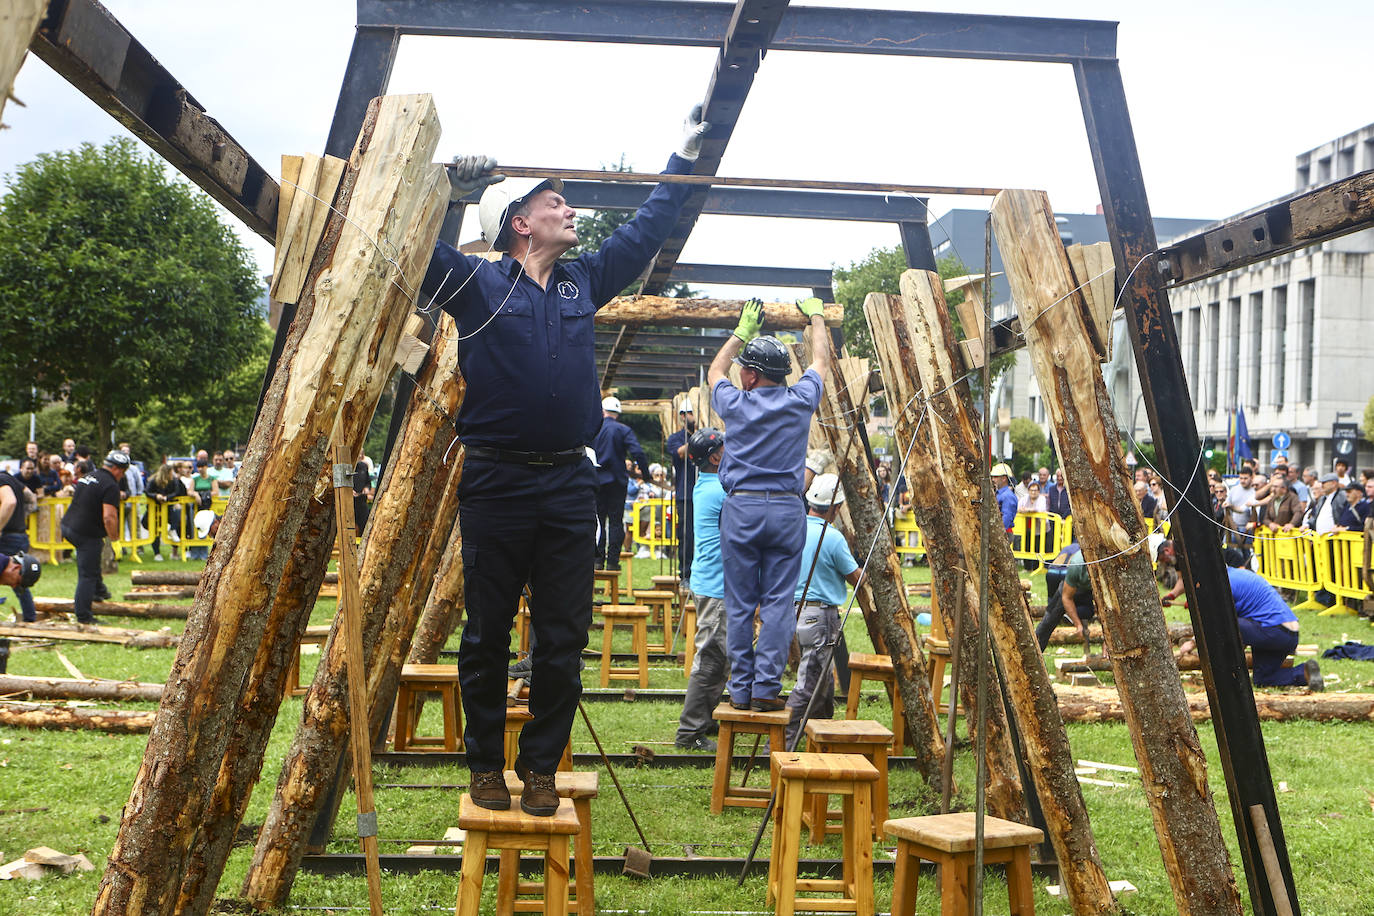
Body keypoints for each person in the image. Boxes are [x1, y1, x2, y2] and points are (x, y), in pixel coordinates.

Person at [415, 106, 710, 816]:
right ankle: (486, 765)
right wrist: (453, 191)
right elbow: (413, 241)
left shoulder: (584, 282)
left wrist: (683, 158)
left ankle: (539, 767)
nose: (569, 209)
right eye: (555, 202)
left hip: (569, 482)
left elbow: (646, 231)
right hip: (496, 479)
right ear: (519, 222)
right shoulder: (477, 283)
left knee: (563, 637)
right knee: (486, 634)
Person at [709, 296, 828, 712]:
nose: (739, 372)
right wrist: (815, 316)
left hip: (741, 510)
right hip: (786, 510)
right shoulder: (800, 402)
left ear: (752, 375)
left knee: (741, 603)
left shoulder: (735, 403)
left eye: (745, 367)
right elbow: (821, 362)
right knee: (779, 603)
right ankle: (765, 690)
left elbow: (715, 370)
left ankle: (741, 692)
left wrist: (740, 332)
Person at [1174, 549, 1321, 690]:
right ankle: (1305, 672)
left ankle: (1227, 675)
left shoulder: (1223, 585)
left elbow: (1217, 624)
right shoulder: (1232, 575)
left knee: (1224, 625)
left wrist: (1192, 643)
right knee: (1264, 679)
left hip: (1275, 631)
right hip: (1284, 633)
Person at [786, 473, 860, 748]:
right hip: (820, 616)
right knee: (810, 685)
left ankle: (822, 737)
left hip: (794, 611)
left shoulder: (794, 529)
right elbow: (854, 577)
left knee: (823, 681)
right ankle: (782, 741)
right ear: (836, 508)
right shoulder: (832, 537)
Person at [675, 427, 728, 752]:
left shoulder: (708, 485)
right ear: (716, 456)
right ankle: (689, 731)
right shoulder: (720, 489)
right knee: (711, 656)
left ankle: (704, 719)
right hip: (716, 584)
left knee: (721, 656)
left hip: (713, 581)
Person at [62, 451, 126, 625]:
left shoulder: (89, 476)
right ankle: (84, 616)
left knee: (93, 553)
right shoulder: (111, 485)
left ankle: (99, 590)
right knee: (87, 574)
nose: (122, 475)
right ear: (117, 469)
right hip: (85, 532)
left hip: (68, 526)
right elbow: (109, 517)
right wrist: (115, 541)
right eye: (123, 471)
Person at [592, 396, 649, 569]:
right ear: (618, 413)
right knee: (616, 521)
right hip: (617, 481)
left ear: (602, 411)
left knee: (598, 520)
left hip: (596, 479)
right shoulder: (623, 430)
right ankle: (612, 562)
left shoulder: (594, 429)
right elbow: (637, 452)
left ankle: (597, 560)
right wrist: (645, 474)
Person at [1036, 546, 1095, 651]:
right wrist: (1078, 625)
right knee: (1049, 621)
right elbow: (1066, 597)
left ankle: (1068, 616)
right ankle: (1035, 652)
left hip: (1088, 589)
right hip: (1069, 584)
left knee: (1088, 612)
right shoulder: (1077, 564)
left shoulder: (1108, 563)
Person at [0, 467, 40, 621]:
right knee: (21, 579)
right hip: (20, 534)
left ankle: (30, 619)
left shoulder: (1, 480)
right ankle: (30, 618)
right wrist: (25, 515)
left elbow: (10, 502)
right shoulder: (13, 480)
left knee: (15, 576)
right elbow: (31, 496)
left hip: (8, 535)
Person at [665, 400, 697, 582]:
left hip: (708, 492)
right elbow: (680, 452)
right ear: (684, 416)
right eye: (691, 413)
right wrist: (699, 437)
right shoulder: (676, 438)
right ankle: (686, 574)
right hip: (687, 493)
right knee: (687, 535)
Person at [144, 462, 186, 561]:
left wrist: (167, 498)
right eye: (171, 472)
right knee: (155, 531)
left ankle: (173, 531)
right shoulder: (154, 480)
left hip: (169, 509)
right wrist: (156, 496)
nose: (173, 474)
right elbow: (147, 491)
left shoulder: (174, 481)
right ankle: (157, 553)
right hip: (154, 510)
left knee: (178, 519)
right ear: (167, 473)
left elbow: (177, 492)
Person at [990, 463, 1018, 536]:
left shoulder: (1007, 496)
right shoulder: (999, 494)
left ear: (1004, 478)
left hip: (1003, 533)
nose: (993, 480)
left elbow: (1006, 517)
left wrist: (998, 532)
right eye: (992, 477)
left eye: (996, 477)